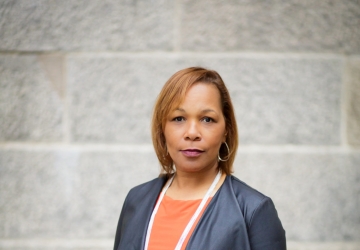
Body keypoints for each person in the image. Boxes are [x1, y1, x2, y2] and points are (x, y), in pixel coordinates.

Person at [113, 67, 286, 250]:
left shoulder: (254, 210)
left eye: (207, 119)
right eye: (179, 118)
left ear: (226, 130)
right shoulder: (136, 200)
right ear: (162, 129)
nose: (192, 133)